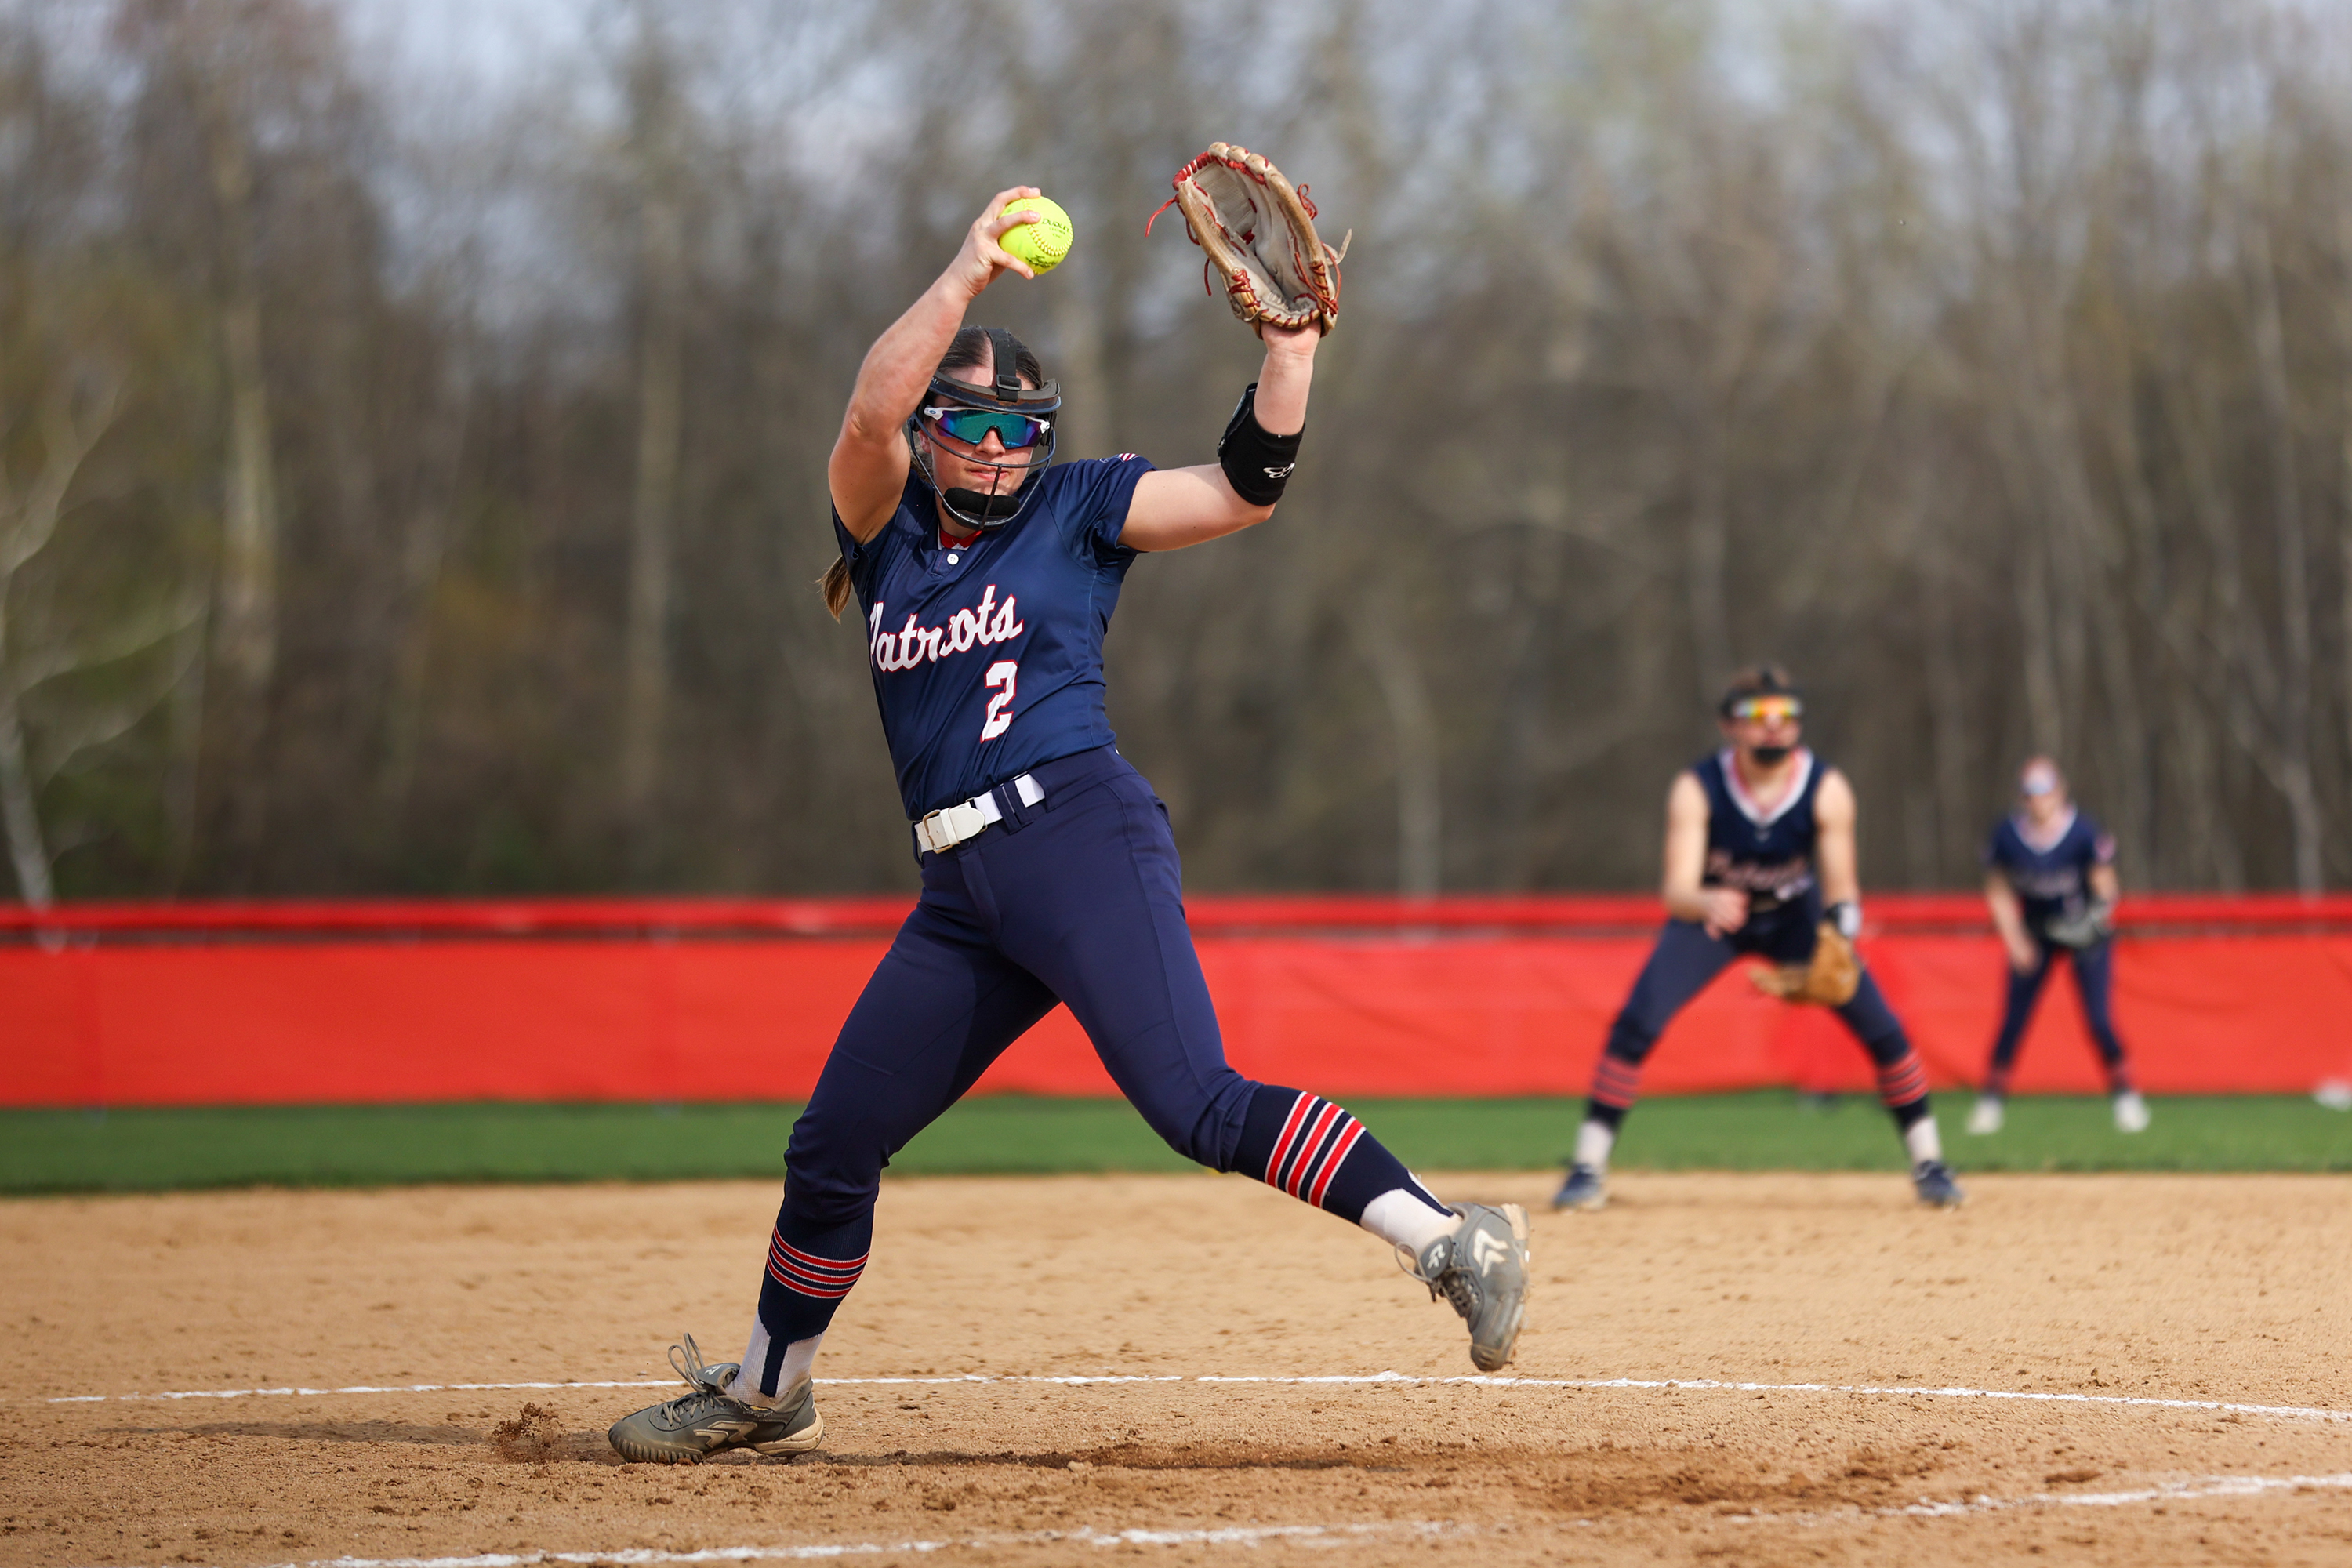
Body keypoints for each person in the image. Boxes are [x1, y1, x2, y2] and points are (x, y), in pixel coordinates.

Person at [605, 187, 1529, 1465]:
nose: (995, 449)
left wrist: (1289, 357)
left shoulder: (1076, 508)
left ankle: (1447, 1238)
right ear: (934, 435)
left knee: (1195, 1104)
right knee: (833, 1143)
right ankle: (771, 1386)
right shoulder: (882, 531)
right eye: (971, 427)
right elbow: (869, 411)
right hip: (960, 895)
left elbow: (1244, 489)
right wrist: (965, 276)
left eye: (1018, 430)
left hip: (1076, 836)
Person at [1552, 666, 1963, 1211]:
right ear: (1729, 725)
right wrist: (1704, 900)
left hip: (1795, 917)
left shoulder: (1826, 787)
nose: (1775, 727)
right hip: (1715, 917)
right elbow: (1676, 889)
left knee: (1882, 1029)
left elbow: (1841, 886)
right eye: (1758, 716)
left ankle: (1930, 1163)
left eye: (1786, 715)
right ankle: (1587, 1167)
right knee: (1638, 1021)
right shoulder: (1698, 787)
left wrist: (1840, 930)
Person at [1967, 757, 2147, 1135]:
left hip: (2083, 935)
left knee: (2099, 1020)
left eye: (2046, 793)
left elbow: (2106, 886)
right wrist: (2015, 942)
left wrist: (2094, 921)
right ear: (2023, 797)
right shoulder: (2007, 835)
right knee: (2013, 1020)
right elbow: (1998, 891)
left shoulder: (2082, 832)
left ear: (2060, 792)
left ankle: (2126, 1096)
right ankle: (1991, 1101)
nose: (2039, 802)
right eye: (2032, 794)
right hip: (2036, 933)